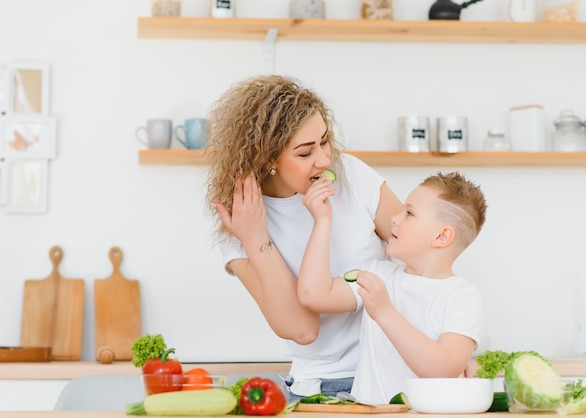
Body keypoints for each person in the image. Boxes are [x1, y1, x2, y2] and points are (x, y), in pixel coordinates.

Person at [205, 75, 403, 400]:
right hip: (320, 389)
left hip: (396, 373)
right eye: (305, 152)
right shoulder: (241, 225)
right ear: (267, 158)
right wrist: (256, 239)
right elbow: (303, 329)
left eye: (324, 141)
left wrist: (447, 346)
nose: (324, 160)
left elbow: (422, 260)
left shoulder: (352, 175)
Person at [298, 171, 487, 405]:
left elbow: (442, 369)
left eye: (409, 213)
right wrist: (322, 221)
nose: (395, 218)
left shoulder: (462, 297)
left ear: (441, 236)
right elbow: (313, 295)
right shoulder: (378, 275)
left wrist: (385, 313)